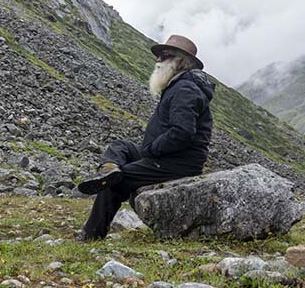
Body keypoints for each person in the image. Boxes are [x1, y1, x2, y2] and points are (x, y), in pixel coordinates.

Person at [77, 34, 215, 241]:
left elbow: (183, 132)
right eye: (159, 56)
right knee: (121, 146)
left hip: (177, 163)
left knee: (114, 184)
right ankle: (109, 168)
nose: (158, 61)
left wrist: (151, 150)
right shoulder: (179, 85)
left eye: (165, 56)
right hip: (164, 155)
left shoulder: (185, 89)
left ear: (180, 62)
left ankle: (91, 236)